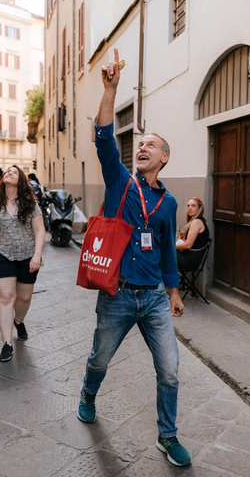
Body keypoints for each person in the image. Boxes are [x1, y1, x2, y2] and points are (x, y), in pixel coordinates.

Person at [77, 49, 191, 467]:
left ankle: (168, 435)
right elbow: (105, 137)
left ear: (164, 158)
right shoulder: (121, 182)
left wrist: (174, 292)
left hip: (156, 298)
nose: (142, 147)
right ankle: (89, 393)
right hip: (118, 295)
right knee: (100, 358)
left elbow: (165, 252)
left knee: (171, 371)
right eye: (140, 144)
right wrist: (110, 90)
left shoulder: (168, 202)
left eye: (151, 145)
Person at [0, 165, 44, 362]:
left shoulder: (29, 202)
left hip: (27, 256)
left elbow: (39, 230)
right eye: (7, 171)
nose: (9, 173)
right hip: (0, 255)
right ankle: (7, 343)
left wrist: (37, 255)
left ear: (20, 179)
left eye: (14, 171)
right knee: (6, 297)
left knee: (24, 298)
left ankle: (18, 321)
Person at [175, 197, 209, 269]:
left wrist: (170, 247)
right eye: (188, 206)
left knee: (162, 254)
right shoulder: (198, 221)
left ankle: (163, 279)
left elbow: (188, 246)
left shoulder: (196, 222)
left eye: (193, 206)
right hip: (189, 257)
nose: (190, 208)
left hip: (190, 260)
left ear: (199, 208)